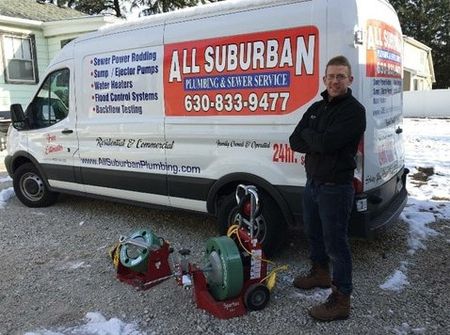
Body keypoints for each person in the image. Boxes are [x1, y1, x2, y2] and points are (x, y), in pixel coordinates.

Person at [289, 55, 366, 321]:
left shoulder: (354, 111)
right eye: (331, 76)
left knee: (337, 244)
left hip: (336, 188)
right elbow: (294, 139)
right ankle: (320, 273)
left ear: (349, 79)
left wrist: (315, 138)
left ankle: (341, 299)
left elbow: (326, 143)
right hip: (313, 184)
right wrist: (317, 139)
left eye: (340, 76)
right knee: (313, 233)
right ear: (324, 79)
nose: (335, 81)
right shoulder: (317, 108)